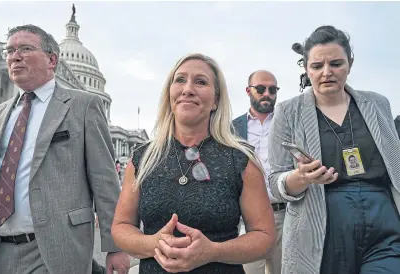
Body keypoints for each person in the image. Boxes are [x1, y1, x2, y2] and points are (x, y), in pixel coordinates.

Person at [0, 24, 130, 274]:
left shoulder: (83, 105)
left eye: (25, 49)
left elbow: (105, 181)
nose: (15, 56)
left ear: (52, 60)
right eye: (10, 51)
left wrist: (115, 246)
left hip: (53, 250)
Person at [111, 53, 275, 273]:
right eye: (180, 80)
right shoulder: (143, 157)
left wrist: (213, 251)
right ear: (169, 93)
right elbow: (121, 227)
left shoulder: (241, 159)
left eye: (200, 82)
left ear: (216, 100)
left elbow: (264, 237)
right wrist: (153, 244)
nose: (188, 89)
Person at [268, 25, 400, 274]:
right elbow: (276, 181)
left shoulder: (378, 104)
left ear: (350, 63)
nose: (327, 72)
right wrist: (299, 178)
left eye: (336, 64)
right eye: (317, 66)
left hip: (383, 221)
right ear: (306, 68)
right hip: (321, 225)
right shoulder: (288, 112)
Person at [233, 70, 284, 274]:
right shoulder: (233, 128)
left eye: (272, 90)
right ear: (248, 91)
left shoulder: (286, 122)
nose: (267, 94)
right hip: (248, 219)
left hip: (283, 214)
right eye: (261, 89)